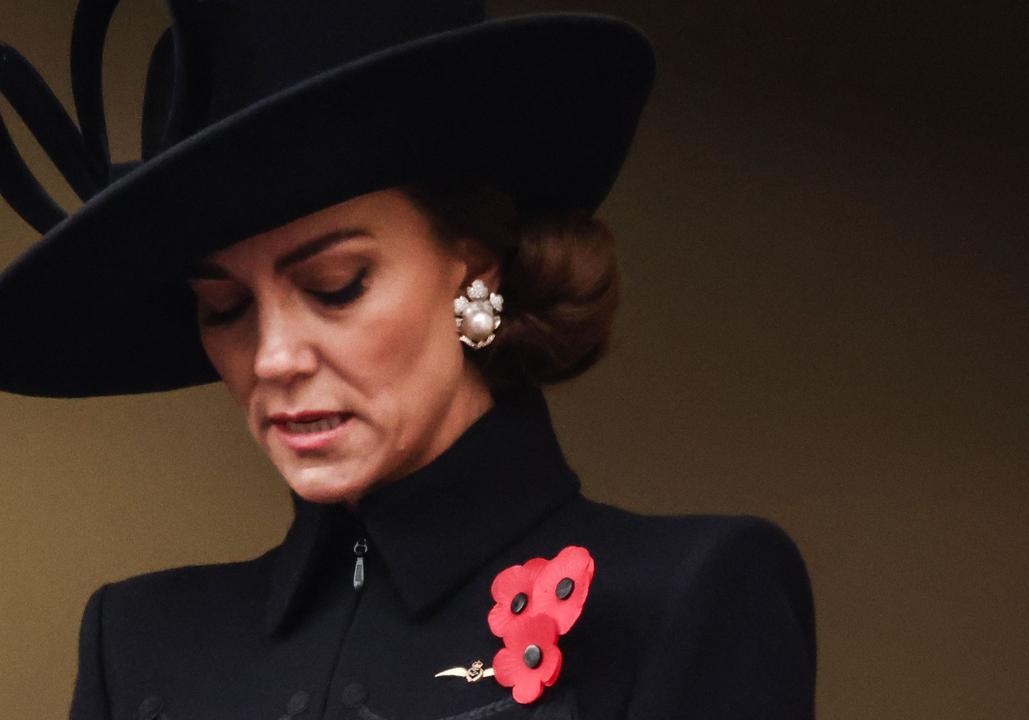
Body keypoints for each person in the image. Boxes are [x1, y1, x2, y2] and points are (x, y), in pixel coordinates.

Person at [0, 2, 816, 718]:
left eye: (337, 285)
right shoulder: (139, 641)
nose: (273, 357)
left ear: (476, 267)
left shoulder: (686, 598)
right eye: (225, 307)